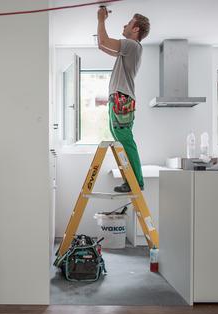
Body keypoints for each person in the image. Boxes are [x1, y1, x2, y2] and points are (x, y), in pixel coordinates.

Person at [97, 7, 150, 192]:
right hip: (119, 98)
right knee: (120, 139)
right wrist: (101, 21)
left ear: (136, 29)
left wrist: (101, 19)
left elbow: (103, 41)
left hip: (122, 98)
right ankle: (132, 181)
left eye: (129, 23)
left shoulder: (131, 45)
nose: (125, 25)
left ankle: (136, 182)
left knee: (125, 140)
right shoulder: (127, 49)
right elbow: (102, 45)